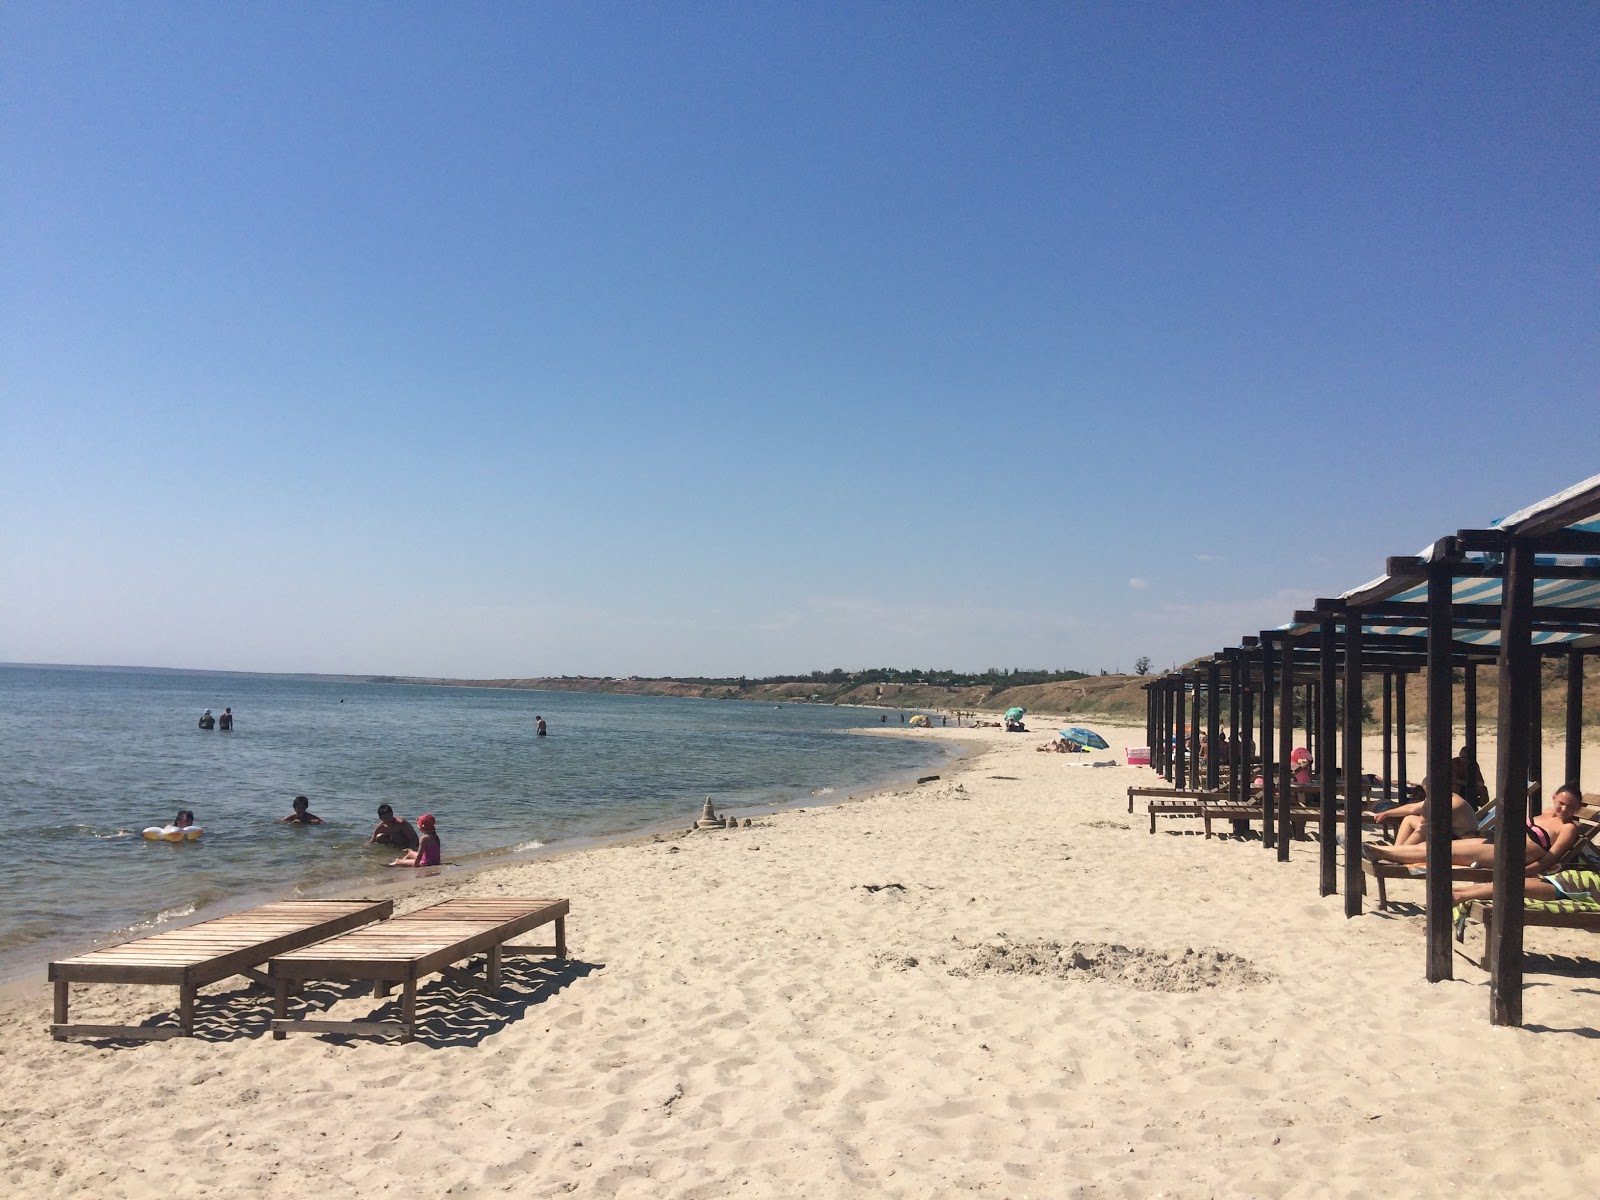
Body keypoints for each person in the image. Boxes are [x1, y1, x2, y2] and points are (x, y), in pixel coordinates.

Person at [1364, 783, 1584, 875]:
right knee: (1444, 846)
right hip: (1500, 842)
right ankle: (1387, 852)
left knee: (1446, 852)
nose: (1564, 808)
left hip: (1515, 854)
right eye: (1561, 803)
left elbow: (1549, 859)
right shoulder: (1545, 812)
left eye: (1571, 806)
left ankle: (1382, 852)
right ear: (1554, 798)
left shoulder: (1569, 829)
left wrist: (1521, 874)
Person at [1373, 776, 1479, 847]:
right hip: (1451, 832)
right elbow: (1412, 808)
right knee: (1409, 819)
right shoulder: (1446, 796)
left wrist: (1428, 801)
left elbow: (1424, 820)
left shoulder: (1451, 803)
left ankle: (1399, 853)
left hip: (1464, 838)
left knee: (1425, 829)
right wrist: (1386, 813)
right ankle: (1397, 849)